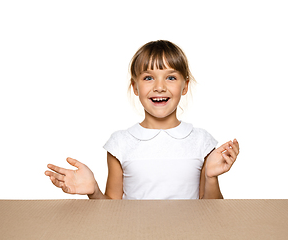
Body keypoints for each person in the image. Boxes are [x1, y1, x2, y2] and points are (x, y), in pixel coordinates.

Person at [45, 40, 240, 200]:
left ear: (185, 86)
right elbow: (113, 212)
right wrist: (94, 191)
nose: (159, 87)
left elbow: (211, 212)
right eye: (149, 78)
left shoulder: (201, 142)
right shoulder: (120, 143)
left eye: (170, 78)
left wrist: (211, 177)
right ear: (135, 87)